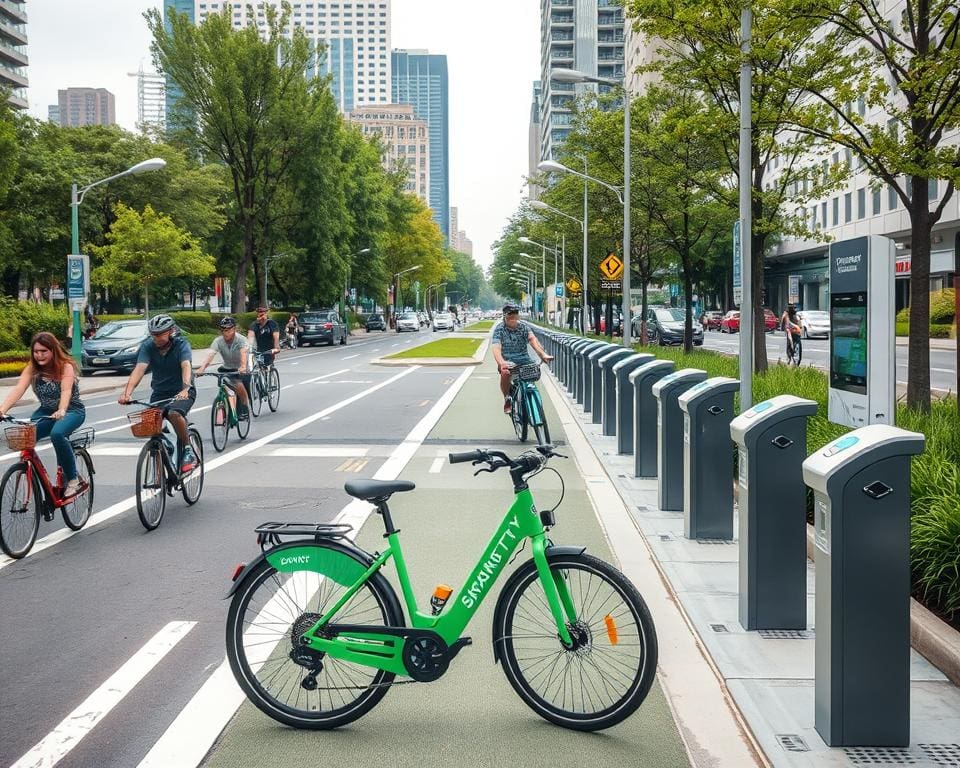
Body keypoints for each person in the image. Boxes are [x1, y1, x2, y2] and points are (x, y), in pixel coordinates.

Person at [0, 332, 86, 496]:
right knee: (27, 435)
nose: (39, 355)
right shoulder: (32, 369)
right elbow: (19, 389)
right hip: (45, 412)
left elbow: (66, 391)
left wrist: (61, 410)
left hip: (72, 411)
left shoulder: (65, 366)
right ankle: (28, 470)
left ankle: (74, 479)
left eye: (44, 351)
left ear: (53, 350)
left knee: (58, 434)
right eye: (36, 351)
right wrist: (2, 410)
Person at [118, 314, 198, 474]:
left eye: (160, 334)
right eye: (154, 334)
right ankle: (165, 446)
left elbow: (186, 366)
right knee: (150, 422)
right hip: (160, 393)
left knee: (174, 414)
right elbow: (139, 369)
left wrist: (185, 388)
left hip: (182, 391)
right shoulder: (148, 347)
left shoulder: (182, 345)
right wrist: (127, 393)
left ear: (171, 331)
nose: (157, 338)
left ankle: (188, 450)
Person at [491, 303, 554, 414]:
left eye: (515, 314)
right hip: (508, 362)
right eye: (510, 315)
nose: (513, 318)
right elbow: (496, 347)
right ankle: (507, 399)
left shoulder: (523, 327)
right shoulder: (500, 329)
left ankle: (531, 402)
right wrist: (501, 363)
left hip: (525, 360)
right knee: (505, 373)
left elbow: (532, 340)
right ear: (505, 316)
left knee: (530, 379)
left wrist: (542, 354)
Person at [196, 317, 251, 417]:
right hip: (227, 368)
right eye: (223, 330)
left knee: (242, 389)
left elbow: (243, 353)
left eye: (228, 330)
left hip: (241, 369)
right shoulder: (218, 341)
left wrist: (243, 367)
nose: (226, 333)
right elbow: (211, 355)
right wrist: (202, 368)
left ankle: (245, 409)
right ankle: (226, 405)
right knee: (225, 386)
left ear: (234, 329)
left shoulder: (241, 340)